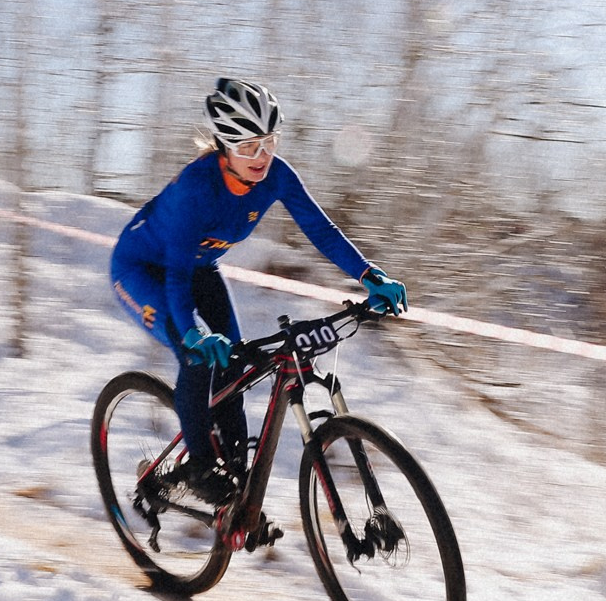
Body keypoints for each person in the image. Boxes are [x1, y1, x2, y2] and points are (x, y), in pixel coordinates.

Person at [110, 77, 408, 512]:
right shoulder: (197, 187)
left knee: (233, 362)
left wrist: (367, 273)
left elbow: (320, 229)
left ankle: (235, 484)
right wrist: (192, 332)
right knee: (197, 357)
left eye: (269, 142)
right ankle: (199, 468)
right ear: (224, 147)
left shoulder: (277, 176)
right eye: (248, 147)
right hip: (143, 270)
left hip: (199, 267)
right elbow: (175, 274)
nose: (261, 157)